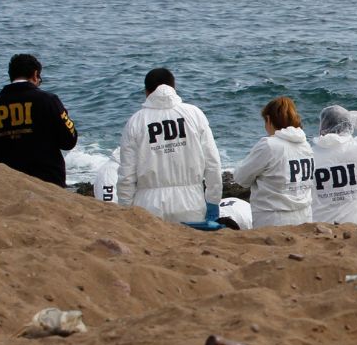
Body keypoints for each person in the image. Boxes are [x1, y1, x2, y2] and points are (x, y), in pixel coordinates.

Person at [117, 68, 223, 223]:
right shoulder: (194, 114)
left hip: (148, 206)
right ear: (174, 88)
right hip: (191, 203)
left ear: (146, 92)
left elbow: (126, 175)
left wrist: (126, 208)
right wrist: (213, 200)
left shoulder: (135, 122)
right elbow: (212, 163)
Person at [0, 54, 78, 187]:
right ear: (35, 74)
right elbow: (69, 141)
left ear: (11, 76)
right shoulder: (48, 100)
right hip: (49, 179)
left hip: (7, 183)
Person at [233, 96, 314, 227]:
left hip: (273, 218)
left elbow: (240, 178)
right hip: (304, 216)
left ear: (269, 120)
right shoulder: (305, 145)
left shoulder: (269, 145)